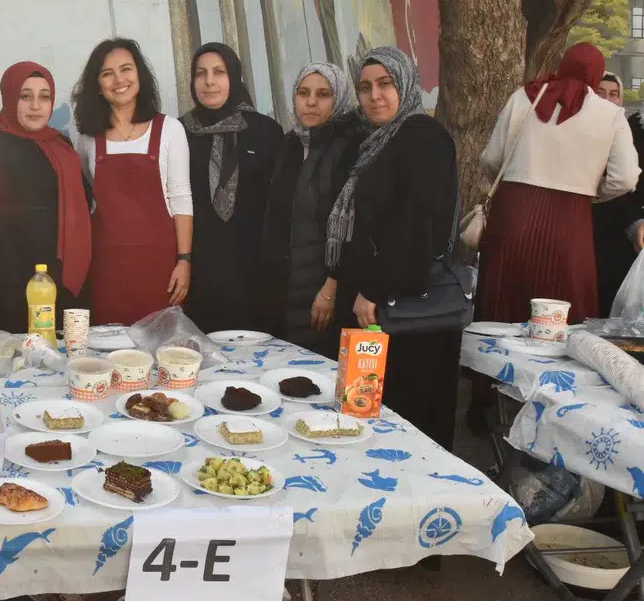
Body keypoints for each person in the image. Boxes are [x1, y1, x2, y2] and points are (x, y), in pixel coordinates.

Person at [332, 47, 460, 450]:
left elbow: (414, 222)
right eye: (366, 87)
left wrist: (375, 288)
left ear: (405, 84)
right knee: (367, 408)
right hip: (379, 296)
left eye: (386, 84)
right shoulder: (379, 141)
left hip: (404, 303)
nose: (375, 96)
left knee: (405, 414)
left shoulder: (422, 136)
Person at [476, 43, 640, 326]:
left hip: (512, 211)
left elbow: (491, 158)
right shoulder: (610, 114)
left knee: (503, 305)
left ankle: (488, 369)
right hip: (570, 220)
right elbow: (625, 177)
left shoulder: (523, 97)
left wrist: (514, 184)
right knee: (564, 310)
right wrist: (593, 193)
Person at [0, 61, 92, 333]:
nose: (36, 106)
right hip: (2, 281)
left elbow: (83, 209)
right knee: (5, 365)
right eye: (25, 96)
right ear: (9, 98)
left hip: (56, 280)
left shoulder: (62, 147)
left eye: (44, 97)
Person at [71, 39, 192, 326]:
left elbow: (180, 198)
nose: (118, 80)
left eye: (126, 69)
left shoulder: (170, 130)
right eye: (107, 73)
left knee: (161, 350)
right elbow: (87, 198)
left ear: (140, 75)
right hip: (107, 268)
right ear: (97, 85)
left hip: (160, 269)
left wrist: (184, 261)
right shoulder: (87, 138)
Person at [181, 42, 283, 333]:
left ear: (234, 78)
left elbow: (279, 206)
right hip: (198, 270)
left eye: (219, 72)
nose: (209, 81)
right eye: (200, 73)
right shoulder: (178, 133)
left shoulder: (265, 132)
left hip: (254, 270)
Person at [263, 63, 362, 357]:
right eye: (303, 93)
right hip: (287, 285)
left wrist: (331, 288)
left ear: (340, 98)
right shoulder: (290, 144)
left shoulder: (351, 146)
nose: (310, 102)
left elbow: (354, 227)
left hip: (327, 289)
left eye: (323, 94)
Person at [591, 72, 644, 314]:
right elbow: (618, 183)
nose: (607, 99)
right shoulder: (632, 128)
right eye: (600, 92)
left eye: (614, 94)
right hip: (616, 229)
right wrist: (635, 223)